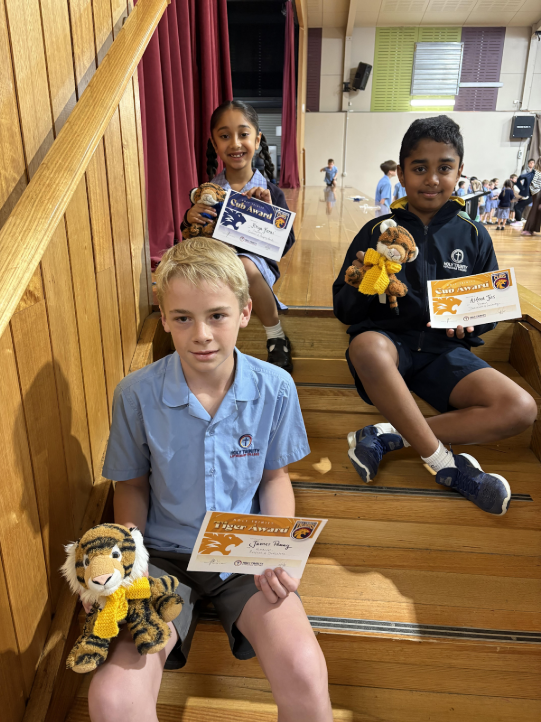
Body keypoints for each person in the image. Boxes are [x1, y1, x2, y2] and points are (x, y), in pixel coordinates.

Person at [89, 238, 332, 722]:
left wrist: (276, 551)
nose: (201, 334)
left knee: (305, 669)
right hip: (162, 558)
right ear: (163, 318)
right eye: (183, 318)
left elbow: (274, 478)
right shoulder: (135, 394)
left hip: (244, 555)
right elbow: (131, 485)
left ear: (245, 312)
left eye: (217, 315)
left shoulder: (276, 387)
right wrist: (129, 564)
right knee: (112, 697)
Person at [332, 115, 537, 515]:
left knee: (522, 407)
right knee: (366, 346)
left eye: (444, 168)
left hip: (445, 355)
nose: (432, 179)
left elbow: (489, 309)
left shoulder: (474, 234)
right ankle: (445, 466)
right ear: (402, 173)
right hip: (389, 351)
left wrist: (472, 324)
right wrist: (361, 282)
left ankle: (387, 436)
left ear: (459, 172)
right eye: (419, 168)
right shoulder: (376, 232)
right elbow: (344, 311)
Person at [183, 100, 295, 373]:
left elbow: (285, 244)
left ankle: (276, 336)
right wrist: (190, 218)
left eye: (243, 134)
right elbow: (192, 240)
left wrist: (270, 214)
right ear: (214, 143)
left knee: (243, 264)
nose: (235, 143)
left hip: (254, 267)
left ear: (256, 140)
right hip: (215, 266)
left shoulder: (270, 192)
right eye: (224, 136)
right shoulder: (208, 192)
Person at [522, 158, 541, 236]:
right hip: (537, 193)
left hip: (536, 192)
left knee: (536, 210)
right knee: (535, 210)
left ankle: (530, 229)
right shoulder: (536, 172)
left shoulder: (535, 172)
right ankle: (529, 228)